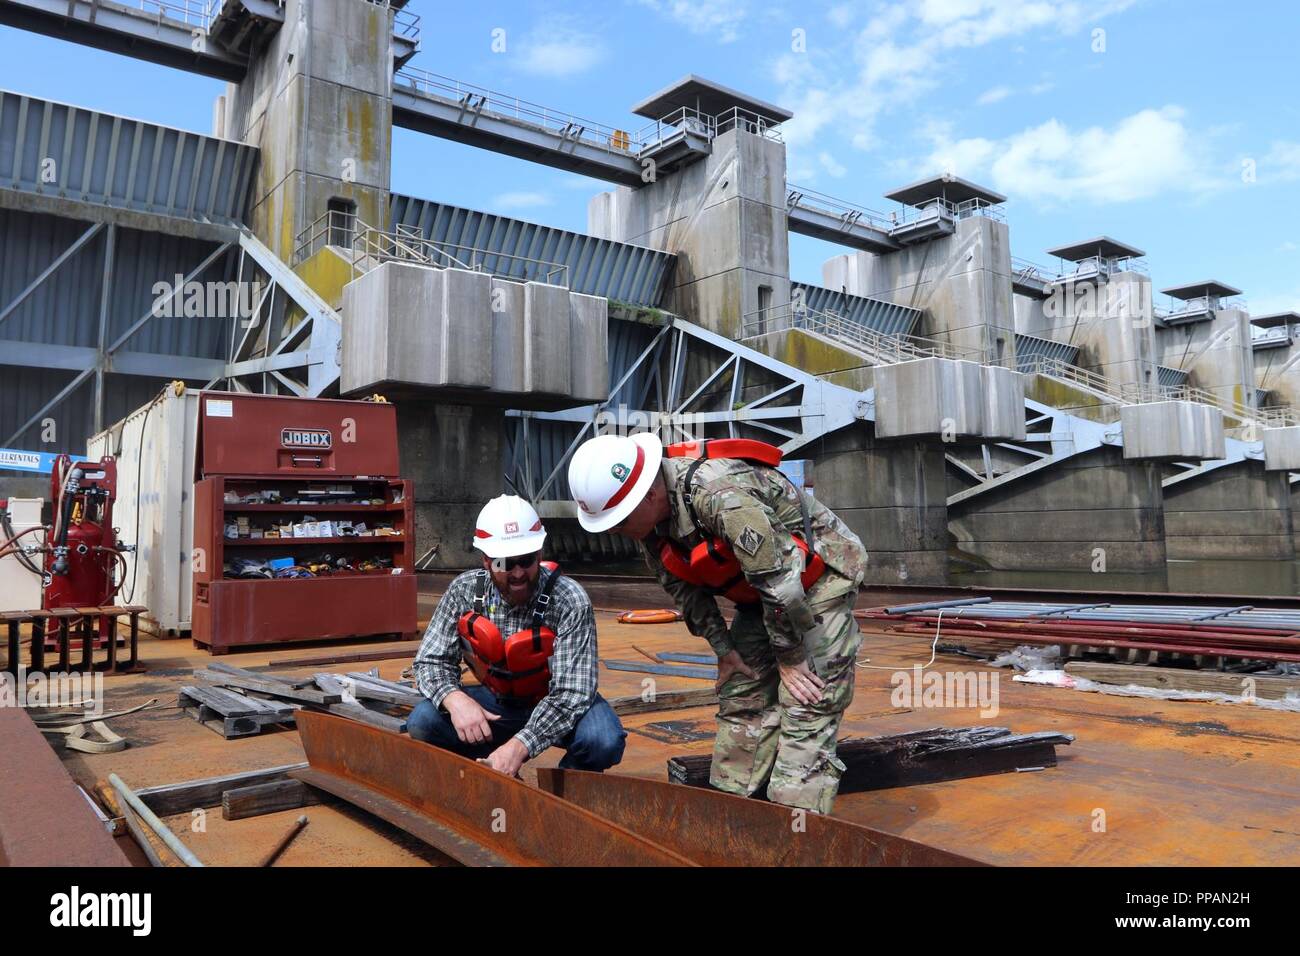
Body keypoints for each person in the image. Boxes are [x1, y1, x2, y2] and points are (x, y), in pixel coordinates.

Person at [567, 432, 867, 813]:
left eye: (619, 522)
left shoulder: (720, 495)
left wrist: (789, 658)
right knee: (742, 689)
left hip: (819, 580)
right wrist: (724, 649)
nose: (614, 531)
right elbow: (685, 591)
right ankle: (734, 808)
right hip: (764, 594)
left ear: (650, 496)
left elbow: (781, 583)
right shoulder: (650, 526)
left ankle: (798, 825)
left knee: (808, 698)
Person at [409, 494, 626, 776]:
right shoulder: (463, 591)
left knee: (603, 740)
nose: (518, 573)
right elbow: (429, 662)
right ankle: (488, 765)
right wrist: (455, 699)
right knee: (423, 721)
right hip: (496, 704)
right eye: (505, 563)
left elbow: (573, 694)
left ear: (539, 555)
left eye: (526, 560)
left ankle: (564, 791)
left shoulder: (569, 599)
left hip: (556, 702)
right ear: (487, 561)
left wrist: (520, 746)